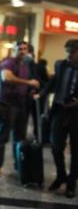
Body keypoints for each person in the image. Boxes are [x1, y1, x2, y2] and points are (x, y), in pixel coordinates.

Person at [0, 41, 40, 178]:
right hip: (6, 106)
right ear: (15, 50)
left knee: (19, 138)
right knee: (2, 137)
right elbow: (6, 77)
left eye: (25, 49)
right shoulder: (9, 62)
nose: (22, 51)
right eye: (20, 48)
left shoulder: (25, 66)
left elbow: (22, 84)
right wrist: (28, 83)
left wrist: (30, 91)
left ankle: (19, 165)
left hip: (21, 106)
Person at [37, 39, 78, 198]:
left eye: (72, 52)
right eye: (67, 52)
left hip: (76, 114)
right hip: (60, 111)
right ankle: (61, 175)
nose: (69, 55)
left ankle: (71, 183)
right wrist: (41, 93)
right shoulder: (60, 64)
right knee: (55, 147)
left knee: (76, 152)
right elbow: (52, 82)